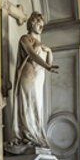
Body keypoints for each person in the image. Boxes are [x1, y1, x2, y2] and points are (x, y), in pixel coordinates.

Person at [10, 12, 58, 149]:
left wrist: (49, 52)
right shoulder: (25, 39)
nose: (41, 27)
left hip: (39, 78)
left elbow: (48, 62)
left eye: (42, 25)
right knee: (28, 105)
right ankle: (28, 135)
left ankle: (36, 134)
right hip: (29, 76)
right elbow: (31, 54)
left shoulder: (42, 44)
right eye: (39, 24)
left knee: (37, 106)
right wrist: (47, 66)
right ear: (32, 23)